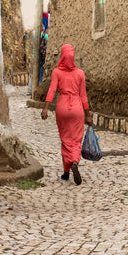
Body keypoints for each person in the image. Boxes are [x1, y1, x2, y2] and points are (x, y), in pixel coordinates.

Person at [40, 44, 92, 184]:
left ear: (62, 56)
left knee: (65, 139)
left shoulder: (57, 72)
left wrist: (45, 108)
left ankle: (66, 172)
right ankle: (74, 161)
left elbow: (51, 90)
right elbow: (83, 96)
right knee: (76, 140)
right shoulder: (80, 73)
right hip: (77, 108)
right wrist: (88, 115)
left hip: (62, 108)